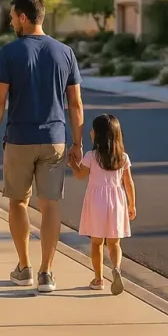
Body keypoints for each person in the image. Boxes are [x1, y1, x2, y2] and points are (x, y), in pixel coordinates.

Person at [0, 0, 84, 294]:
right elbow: (76, 103)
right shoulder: (65, 52)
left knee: (18, 201)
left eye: (13, 16)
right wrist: (78, 144)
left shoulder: (10, 52)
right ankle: (47, 273)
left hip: (19, 139)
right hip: (54, 139)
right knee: (50, 204)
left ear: (24, 18)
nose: (10, 20)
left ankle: (24, 267)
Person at [69, 113, 136, 295]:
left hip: (97, 201)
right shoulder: (123, 157)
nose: (90, 132)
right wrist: (132, 205)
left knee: (97, 243)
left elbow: (80, 175)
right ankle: (116, 268)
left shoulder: (92, 156)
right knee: (114, 243)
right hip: (117, 201)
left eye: (92, 130)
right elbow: (128, 183)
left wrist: (73, 164)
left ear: (97, 135)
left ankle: (98, 279)